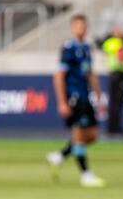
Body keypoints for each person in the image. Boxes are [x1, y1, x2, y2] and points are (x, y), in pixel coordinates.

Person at [46, 14, 107, 188]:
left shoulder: (87, 48)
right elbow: (58, 76)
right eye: (78, 26)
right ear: (73, 28)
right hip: (74, 96)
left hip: (86, 95)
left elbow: (90, 74)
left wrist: (99, 97)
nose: (81, 29)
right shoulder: (69, 48)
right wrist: (62, 102)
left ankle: (59, 156)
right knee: (80, 134)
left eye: (84, 26)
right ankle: (86, 174)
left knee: (93, 135)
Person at [102, 26, 123, 135]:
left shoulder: (108, 43)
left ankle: (111, 127)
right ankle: (116, 127)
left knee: (113, 101)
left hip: (112, 73)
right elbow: (121, 56)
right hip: (119, 73)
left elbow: (105, 56)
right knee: (118, 101)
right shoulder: (120, 43)